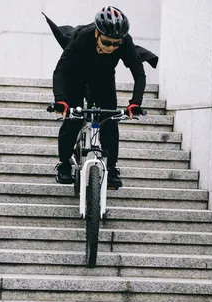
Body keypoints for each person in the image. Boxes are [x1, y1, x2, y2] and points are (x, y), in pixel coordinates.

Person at [51, 5, 146, 189]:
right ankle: (63, 164)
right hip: (75, 76)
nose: (112, 47)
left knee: (109, 121)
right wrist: (60, 100)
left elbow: (139, 73)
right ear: (97, 34)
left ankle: (111, 167)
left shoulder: (124, 42)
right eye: (107, 42)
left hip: (103, 79)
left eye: (116, 44)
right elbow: (60, 69)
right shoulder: (82, 37)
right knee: (73, 120)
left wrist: (135, 102)